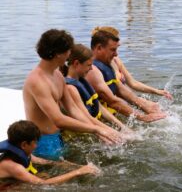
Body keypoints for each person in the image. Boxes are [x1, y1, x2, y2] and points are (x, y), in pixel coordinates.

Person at [23, 29, 122, 161]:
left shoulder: (57, 75)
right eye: (68, 51)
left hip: (58, 138)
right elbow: (58, 119)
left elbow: (74, 109)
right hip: (42, 142)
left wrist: (105, 130)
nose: (70, 54)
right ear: (58, 53)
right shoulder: (37, 81)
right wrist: (96, 130)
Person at [86, 30, 166, 122]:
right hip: (96, 121)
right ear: (99, 48)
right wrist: (142, 117)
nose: (116, 54)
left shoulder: (108, 65)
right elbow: (113, 102)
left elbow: (122, 91)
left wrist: (147, 108)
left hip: (111, 117)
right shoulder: (91, 71)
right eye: (113, 50)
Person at [0, 120, 99, 184]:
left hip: (15, 178)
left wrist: (76, 166)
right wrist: (78, 172)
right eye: (35, 142)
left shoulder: (24, 153)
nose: (36, 146)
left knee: (45, 174)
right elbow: (44, 184)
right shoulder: (13, 166)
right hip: (5, 186)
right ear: (24, 144)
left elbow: (47, 162)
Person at [61, 43, 131, 133]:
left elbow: (100, 108)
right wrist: (113, 133)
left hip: (94, 128)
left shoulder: (82, 82)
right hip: (79, 135)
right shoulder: (70, 88)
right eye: (89, 65)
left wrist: (122, 127)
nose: (91, 69)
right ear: (76, 63)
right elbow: (87, 118)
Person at [92, 26, 173, 100]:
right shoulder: (95, 67)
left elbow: (133, 83)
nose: (117, 51)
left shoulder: (116, 60)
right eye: (113, 47)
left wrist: (157, 91)